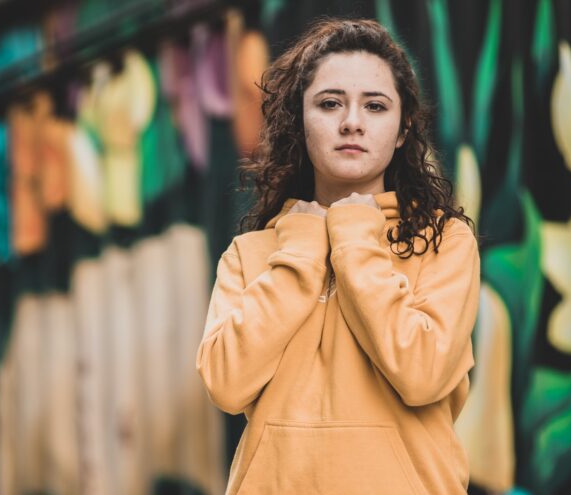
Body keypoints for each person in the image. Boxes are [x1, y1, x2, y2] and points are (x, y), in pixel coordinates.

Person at [196, 17, 480, 494]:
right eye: (330, 104)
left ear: (403, 129)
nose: (352, 121)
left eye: (375, 105)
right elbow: (225, 383)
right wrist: (302, 253)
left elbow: (422, 374)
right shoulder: (251, 252)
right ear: (299, 122)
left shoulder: (444, 241)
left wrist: (353, 239)